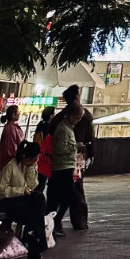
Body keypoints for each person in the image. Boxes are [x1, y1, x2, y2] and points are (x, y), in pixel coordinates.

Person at [0, 140, 48, 259]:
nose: (33, 162)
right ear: (25, 157)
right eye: (32, 160)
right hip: (8, 201)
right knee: (34, 214)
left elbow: (32, 186)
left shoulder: (28, 166)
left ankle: (31, 237)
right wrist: (20, 191)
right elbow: (1, 190)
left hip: (22, 200)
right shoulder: (11, 167)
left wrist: (31, 169)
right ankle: (34, 242)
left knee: (39, 197)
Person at [61, 85, 96, 230]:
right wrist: (92, 154)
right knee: (76, 187)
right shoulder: (84, 114)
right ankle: (80, 220)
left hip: (63, 157)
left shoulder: (62, 114)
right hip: (78, 156)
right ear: (76, 96)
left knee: (66, 186)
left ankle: (58, 218)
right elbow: (90, 136)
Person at [46, 101, 81, 236]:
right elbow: (60, 149)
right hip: (62, 167)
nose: (78, 121)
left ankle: (53, 222)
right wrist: (75, 147)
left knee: (59, 197)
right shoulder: (63, 129)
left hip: (66, 166)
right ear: (71, 116)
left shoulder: (68, 128)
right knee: (65, 196)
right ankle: (54, 222)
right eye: (77, 118)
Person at [0, 105, 24, 176]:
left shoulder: (12, 127)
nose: (19, 114)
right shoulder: (11, 128)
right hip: (9, 166)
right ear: (13, 115)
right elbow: (10, 149)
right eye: (18, 112)